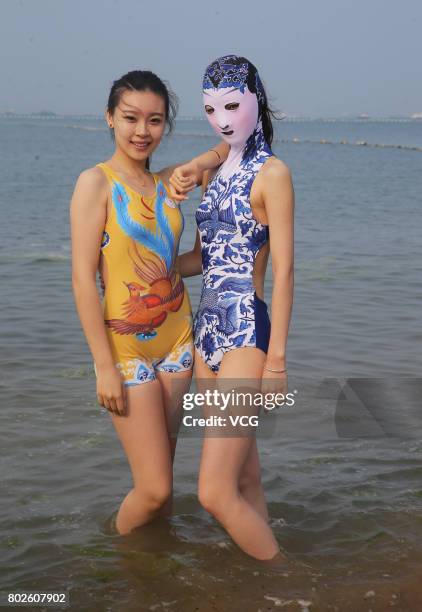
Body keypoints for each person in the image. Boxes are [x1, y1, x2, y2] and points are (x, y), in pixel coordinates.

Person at [70, 70, 228, 535]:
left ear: (165, 126)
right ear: (109, 119)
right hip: (126, 349)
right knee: (154, 487)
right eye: (131, 118)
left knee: (165, 480)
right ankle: (115, 563)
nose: (142, 131)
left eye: (155, 120)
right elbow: (82, 279)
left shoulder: (167, 184)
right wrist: (103, 367)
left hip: (179, 340)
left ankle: (157, 574)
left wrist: (197, 169)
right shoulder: (94, 184)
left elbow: (225, 149)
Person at [176, 55, 294, 562]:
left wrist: (277, 363)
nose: (222, 118)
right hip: (207, 331)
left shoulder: (274, 174)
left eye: (231, 104)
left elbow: (286, 271)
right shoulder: (215, 169)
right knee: (244, 476)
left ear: (255, 100)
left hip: (247, 331)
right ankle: (262, 586)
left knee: (213, 492)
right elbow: (203, 258)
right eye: (210, 108)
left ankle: (292, 583)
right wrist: (138, 262)